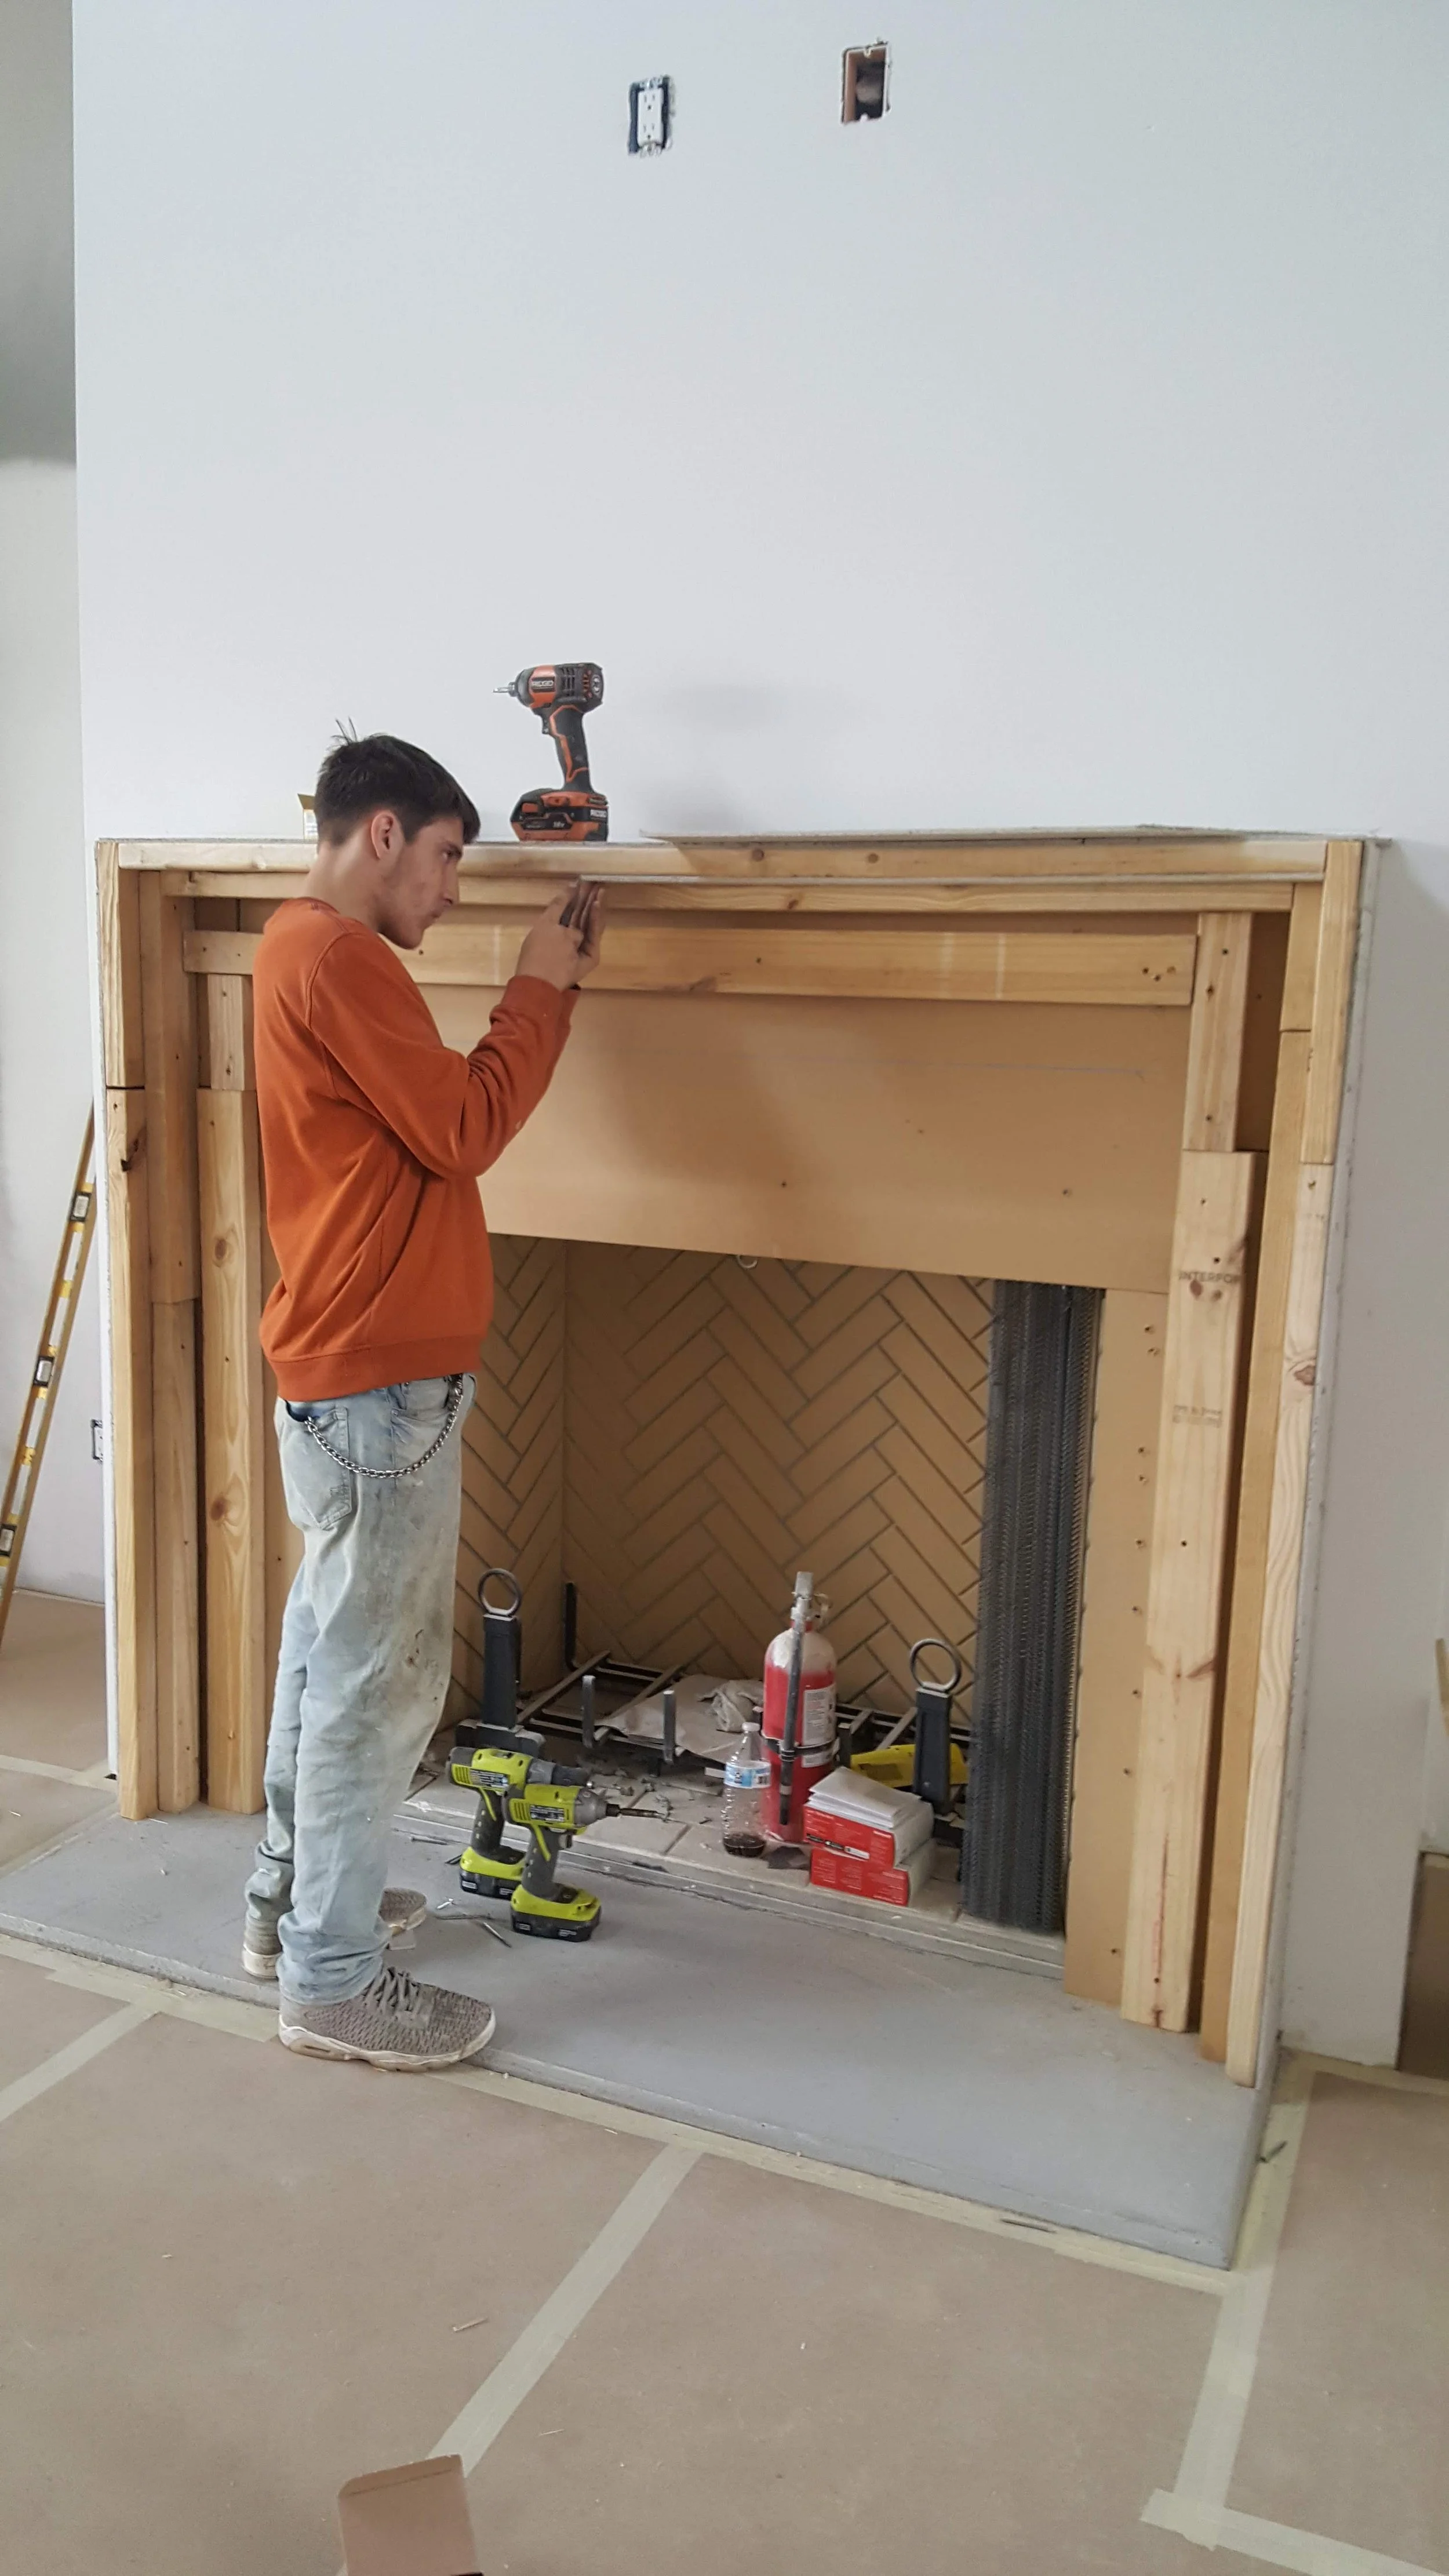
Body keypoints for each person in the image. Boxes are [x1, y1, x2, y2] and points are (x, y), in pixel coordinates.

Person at [242, 732, 602, 2069]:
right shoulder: (340, 955)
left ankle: (289, 1919)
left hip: (348, 1374)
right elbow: (461, 1127)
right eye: (448, 856)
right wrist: (540, 989)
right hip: (381, 1382)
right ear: (380, 832)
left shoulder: (296, 951)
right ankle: (333, 1979)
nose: (454, 886)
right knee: (374, 1688)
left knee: (321, 1659)